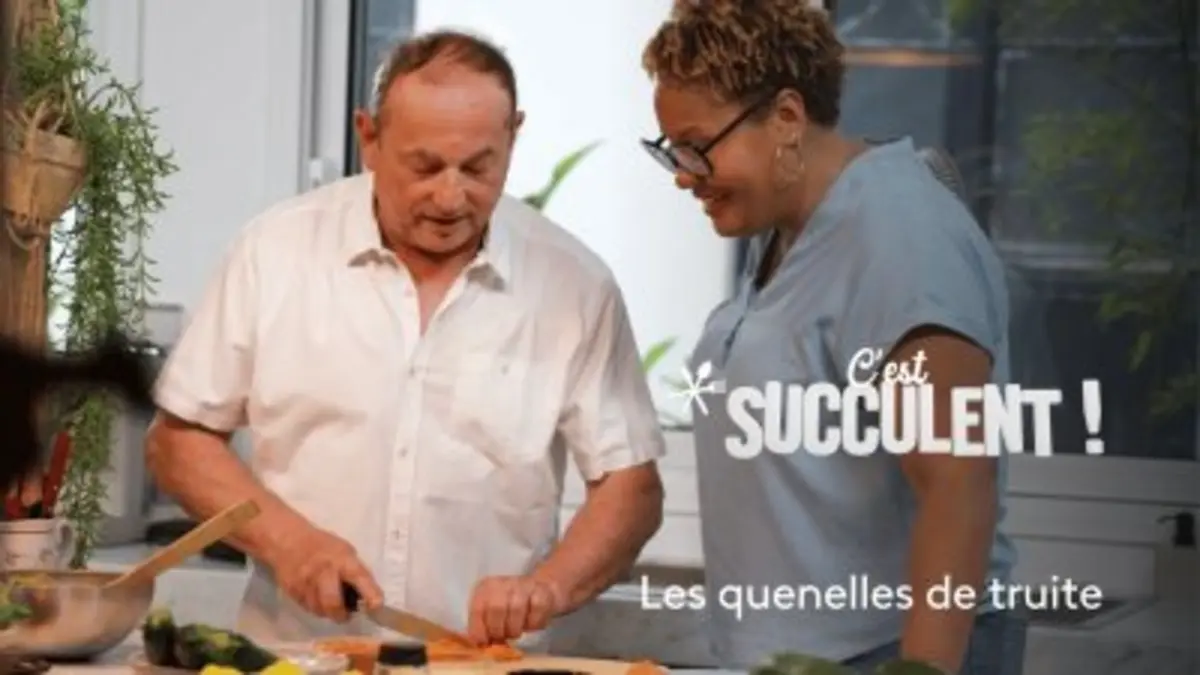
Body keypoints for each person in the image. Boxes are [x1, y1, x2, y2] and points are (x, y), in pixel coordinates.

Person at [145, 30, 665, 647]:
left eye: (478, 167)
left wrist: (547, 588)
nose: (450, 196)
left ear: (514, 137)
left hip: (482, 662)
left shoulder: (574, 285)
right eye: (425, 167)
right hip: (297, 657)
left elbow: (631, 490)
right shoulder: (274, 252)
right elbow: (179, 443)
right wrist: (287, 541)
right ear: (368, 138)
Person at [639, 2, 1025, 674]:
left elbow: (959, 484)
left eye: (698, 146)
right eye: (672, 149)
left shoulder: (901, 238)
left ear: (786, 117)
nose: (683, 173)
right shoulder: (791, 233)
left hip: (888, 654)